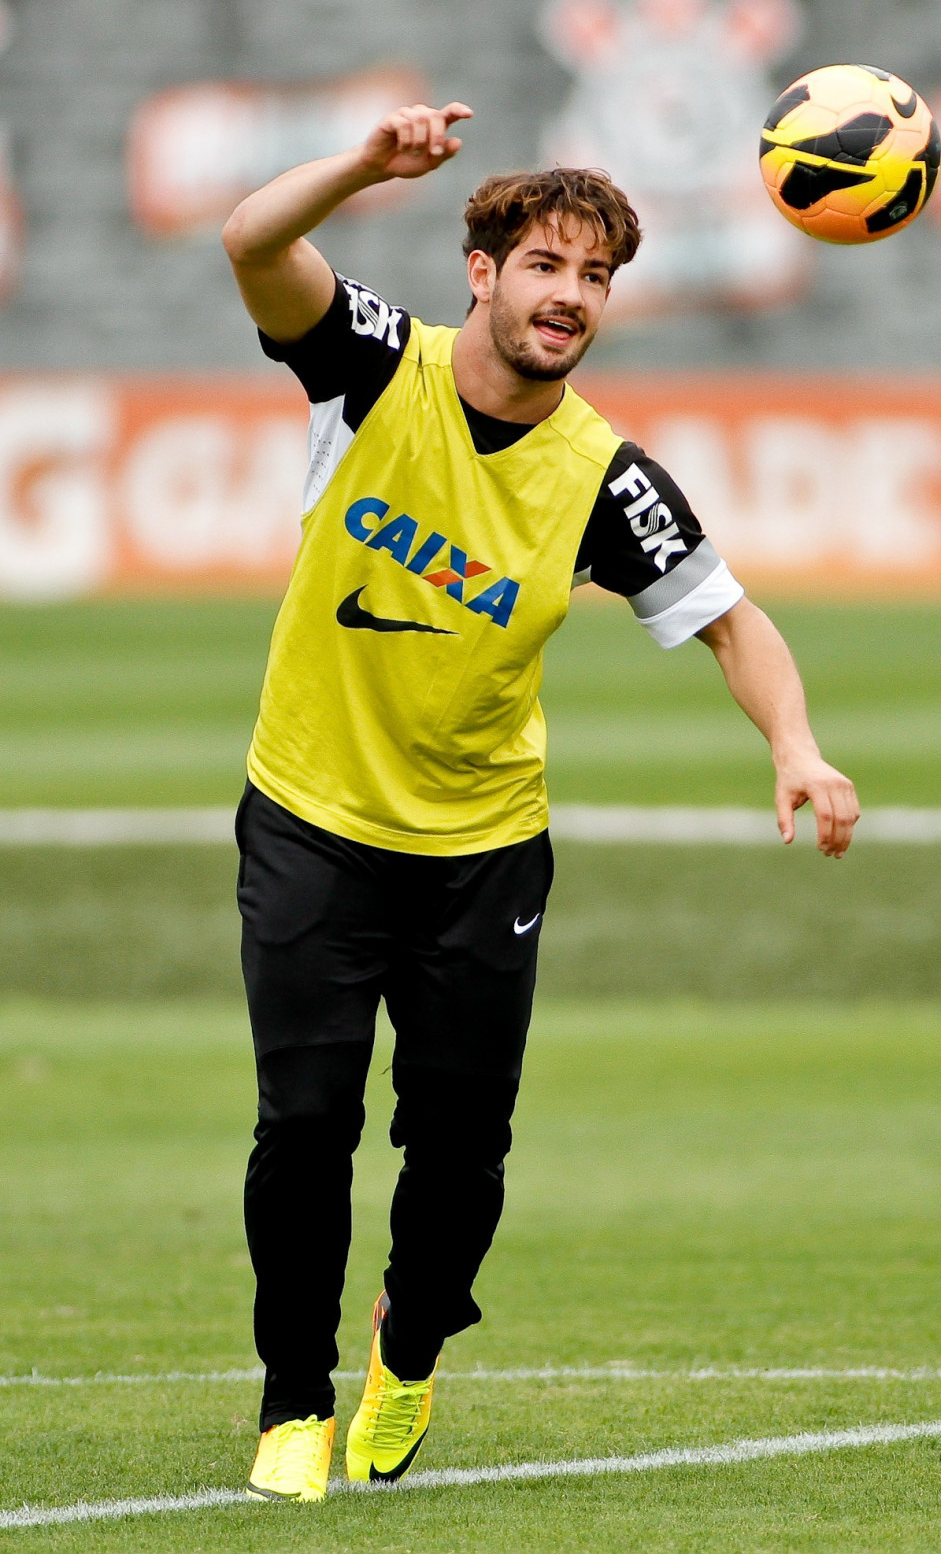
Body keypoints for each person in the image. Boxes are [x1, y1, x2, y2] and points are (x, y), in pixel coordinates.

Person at [221, 99, 860, 1505]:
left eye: (596, 276)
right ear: (483, 273)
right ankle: (292, 1402)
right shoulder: (371, 365)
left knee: (459, 1150)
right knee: (305, 1124)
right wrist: (362, 166)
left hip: (481, 852)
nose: (571, 295)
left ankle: (409, 1349)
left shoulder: (606, 479)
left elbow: (734, 620)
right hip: (313, 815)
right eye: (547, 266)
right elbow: (252, 242)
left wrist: (796, 746)